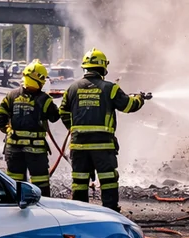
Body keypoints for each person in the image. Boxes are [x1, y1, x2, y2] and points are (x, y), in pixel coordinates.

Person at [59, 48, 148, 211]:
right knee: (108, 180)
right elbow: (128, 105)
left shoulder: (72, 88)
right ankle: (110, 211)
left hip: (79, 146)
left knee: (79, 181)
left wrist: (73, 129)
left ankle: (79, 213)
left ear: (85, 67)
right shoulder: (110, 88)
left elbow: (63, 111)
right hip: (103, 146)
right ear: (103, 68)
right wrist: (140, 99)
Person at [0, 60, 60, 197]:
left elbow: (0, 113)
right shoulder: (45, 99)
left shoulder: (12, 95)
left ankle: (16, 206)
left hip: (13, 150)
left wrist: (7, 129)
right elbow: (54, 117)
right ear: (40, 80)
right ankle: (43, 206)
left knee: (15, 183)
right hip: (36, 151)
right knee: (40, 183)